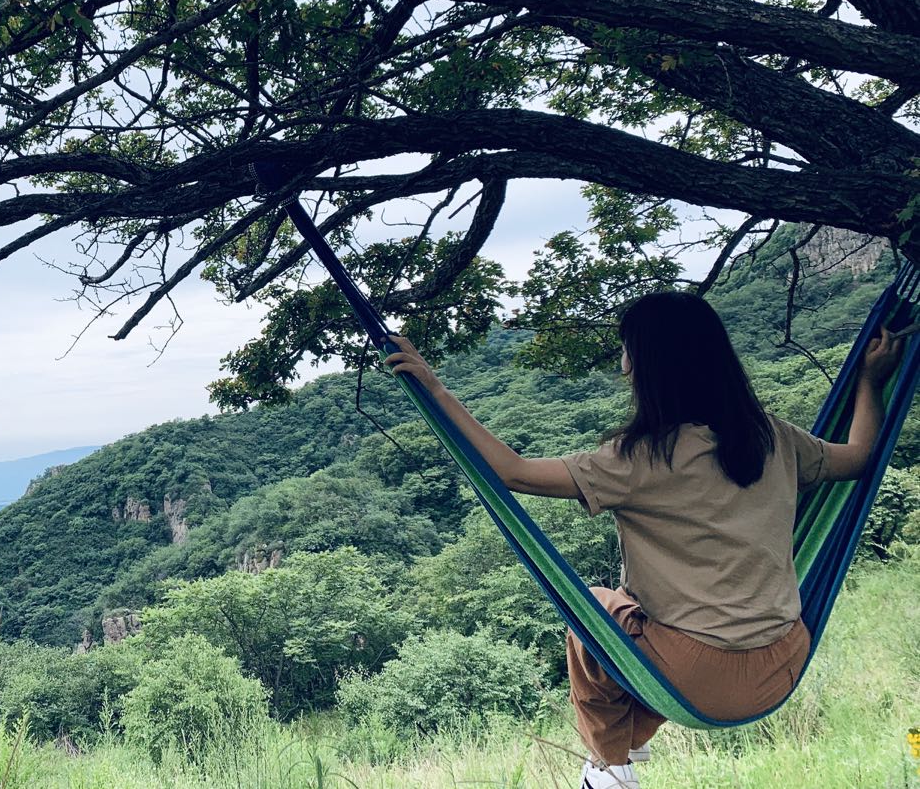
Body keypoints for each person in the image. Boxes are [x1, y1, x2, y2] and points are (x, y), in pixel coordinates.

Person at [383, 290, 904, 789]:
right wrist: (870, 382)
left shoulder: (640, 460)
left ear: (649, 365)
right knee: (639, 629)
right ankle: (624, 751)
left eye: (627, 350)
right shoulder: (775, 438)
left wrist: (435, 387)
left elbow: (512, 472)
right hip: (783, 662)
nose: (623, 364)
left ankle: (608, 768)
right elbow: (859, 457)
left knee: (592, 611)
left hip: (698, 676)